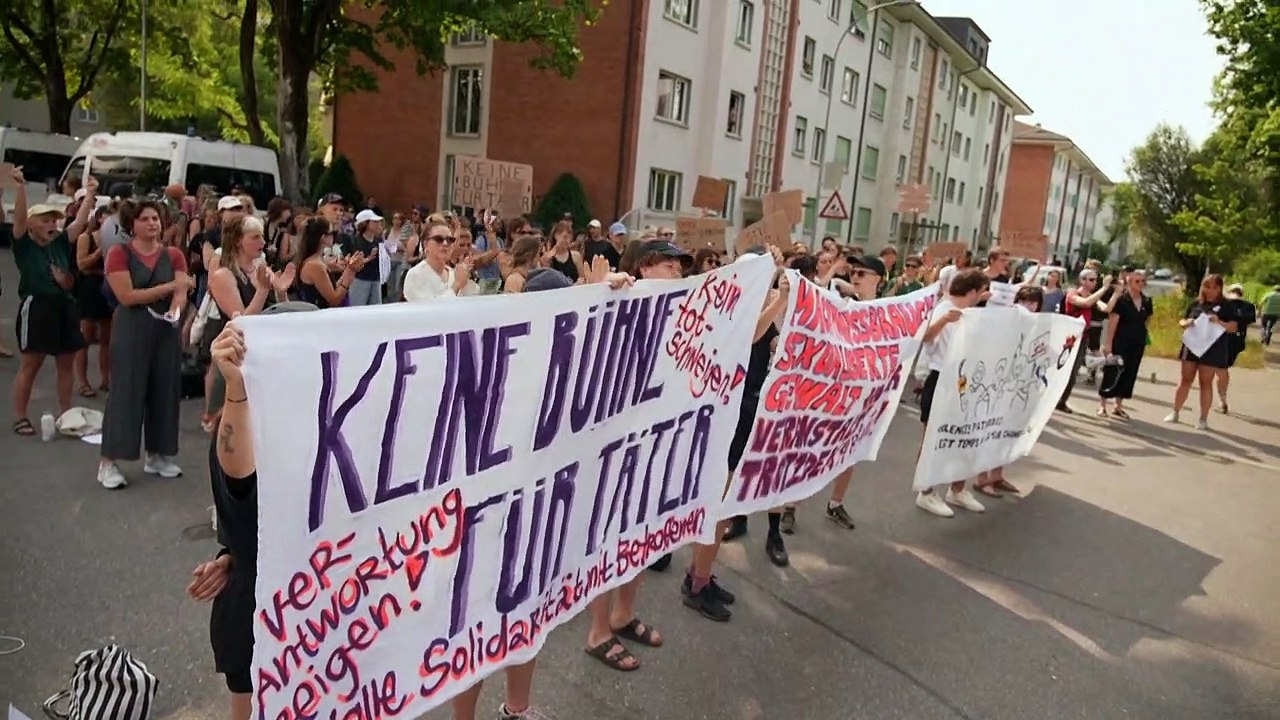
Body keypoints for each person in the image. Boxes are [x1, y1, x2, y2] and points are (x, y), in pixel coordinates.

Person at [583, 240, 686, 670]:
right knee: (608, 538)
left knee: (640, 536)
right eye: (669, 265)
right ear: (645, 268)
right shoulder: (619, 298)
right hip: (614, 444)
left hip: (653, 440)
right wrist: (598, 288)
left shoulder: (680, 307)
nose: (679, 273)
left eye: (681, 267)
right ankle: (598, 630)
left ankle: (624, 613)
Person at [98, 200, 194, 489]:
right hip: (132, 327)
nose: (153, 223)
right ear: (133, 224)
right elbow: (127, 296)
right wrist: (169, 289)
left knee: (164, 390)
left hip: (165, 329)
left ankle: (158, 455)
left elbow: (182, 292)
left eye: (156, 218)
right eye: (146, 218)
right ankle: (109, 461)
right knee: (126, 390)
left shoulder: (174, 254)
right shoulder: (119, 253)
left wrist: (176, 310)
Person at [8, 169, 95, 436]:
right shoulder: (24, 244)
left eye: (54, 221)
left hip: (64, 307)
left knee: (65, 362)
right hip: (38, 307)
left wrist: (91, 194)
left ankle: (65, 414)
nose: (53, 225)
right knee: (31, 364)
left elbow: (79, 223)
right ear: (33, 224)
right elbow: (20, 219)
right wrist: (20, 188)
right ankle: (21, 416)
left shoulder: (58, 243)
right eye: (46, 220)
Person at [915, 269, 990, 518]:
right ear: (971, 291)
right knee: (933, 438)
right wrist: (944, 320)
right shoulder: (942, 309)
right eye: (981, 291)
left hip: (964, 381)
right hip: (940, 379)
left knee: (966, 437)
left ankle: (957, 489)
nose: (984, 295)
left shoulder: (973, 314)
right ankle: (926, 492)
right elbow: (925, 338)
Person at [1165, 274, 1239, 430]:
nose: (1210, 290)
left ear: (1220, 288)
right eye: (1207, 286)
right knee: (1185, 379)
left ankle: (1203, 418)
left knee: (1205, 382)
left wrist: (1219, 321)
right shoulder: (1196, 303)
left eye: (1214, 287)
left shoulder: (1226, 306)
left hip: (1213, 349)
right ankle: (1175, 411)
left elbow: (1233, 327)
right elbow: (1182, 320)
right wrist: (1186, 323)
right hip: (1192, 345)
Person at [1057, 269, 1113, 413]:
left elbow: (1106, 308)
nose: (1094, 283)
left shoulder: (1092, 296)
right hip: (1068, 337)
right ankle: (1053, 397)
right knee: (1061, 368)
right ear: (1082, 280)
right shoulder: (1072, 293)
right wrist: (1104, 288)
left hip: (1082, 337)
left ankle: (1062, 401)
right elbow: (1086, 303)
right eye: (1091, 280)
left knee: (1073, 371)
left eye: (1096, 280)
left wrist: (1117, 293)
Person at [1098, 270, 1152, 419]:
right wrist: (1108, 345)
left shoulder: (1146, 301)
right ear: (1129, 282)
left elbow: (1147, 320)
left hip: (1137, 342)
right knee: (1113, 371)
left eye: (1143, 281)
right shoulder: (1122, 300)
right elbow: (1113, 323)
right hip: (1120, 340)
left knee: (1130, 372)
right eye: (1137, 281)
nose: (1141, 284)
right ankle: (1102, 405)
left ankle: (1118, 405)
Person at [74, 205, 114, 397]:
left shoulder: (117, 240)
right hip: (89, 288)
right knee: (85, 336)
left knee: (107, 337)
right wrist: (100, 252)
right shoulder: (86, 237)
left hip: (108, 287)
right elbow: (82, 265)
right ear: (99, 218)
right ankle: (82, 381)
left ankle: (106, 379)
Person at [294, 217, 365, 309]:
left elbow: (332, 289)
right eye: (332, 233)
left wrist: (348, 269)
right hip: (317, 317)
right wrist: (350, 272)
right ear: (323, 237)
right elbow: (333, 300)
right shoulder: (315, 265)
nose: (335, 236)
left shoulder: (316, 261)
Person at [402, 220, 477, 302]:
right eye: (438, 239)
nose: (445, 243)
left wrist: (465, 276)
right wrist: (457, 285)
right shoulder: (416, 275)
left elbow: (471, 301)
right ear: (425, 244)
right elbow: (431, 310)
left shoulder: (454, 273)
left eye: (450, 240)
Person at [1216, 283, 1255, 415]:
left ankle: (1222, 400)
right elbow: (1250, 320)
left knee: (1220, 370)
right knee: (1223, 369)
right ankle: (1221, 399)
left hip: (1221, 339)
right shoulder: (1248, 306)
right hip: (1237, 341)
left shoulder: (1223, 304)